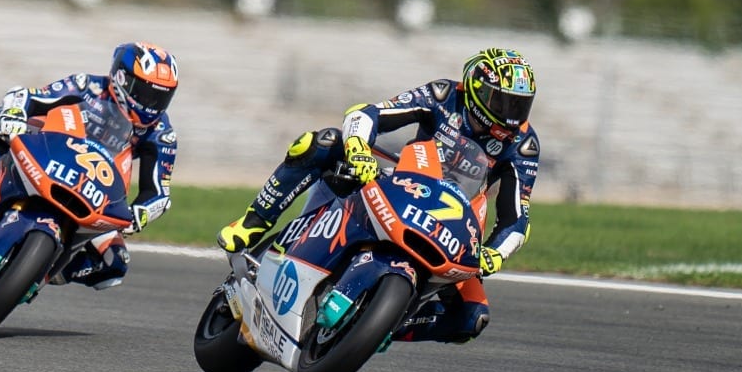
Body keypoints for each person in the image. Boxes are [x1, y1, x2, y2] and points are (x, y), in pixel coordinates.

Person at [216, 47, 539, 344]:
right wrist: (358, 146)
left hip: (452, 224)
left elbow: (517, 217)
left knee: (473, 317)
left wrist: (495, 253)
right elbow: (370, 113)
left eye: (520, 105)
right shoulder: (444, 95)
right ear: (476, 90)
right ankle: (253, 222)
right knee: (321, 143)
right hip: (405, 183)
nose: (511, 115)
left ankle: (386, 325)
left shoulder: (523, 144)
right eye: (503, 101)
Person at [0, 41, 180, 290]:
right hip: (48, 154)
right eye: (145, 93)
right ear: (121, 78)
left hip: (94, 191)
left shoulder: (162, 134)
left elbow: (158, 193)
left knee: (114, 265)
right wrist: (14, 114)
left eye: (161, 97)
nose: (152, 105)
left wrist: (140, 214)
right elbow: (29, 96)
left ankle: (42, 274)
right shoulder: (88, 86)